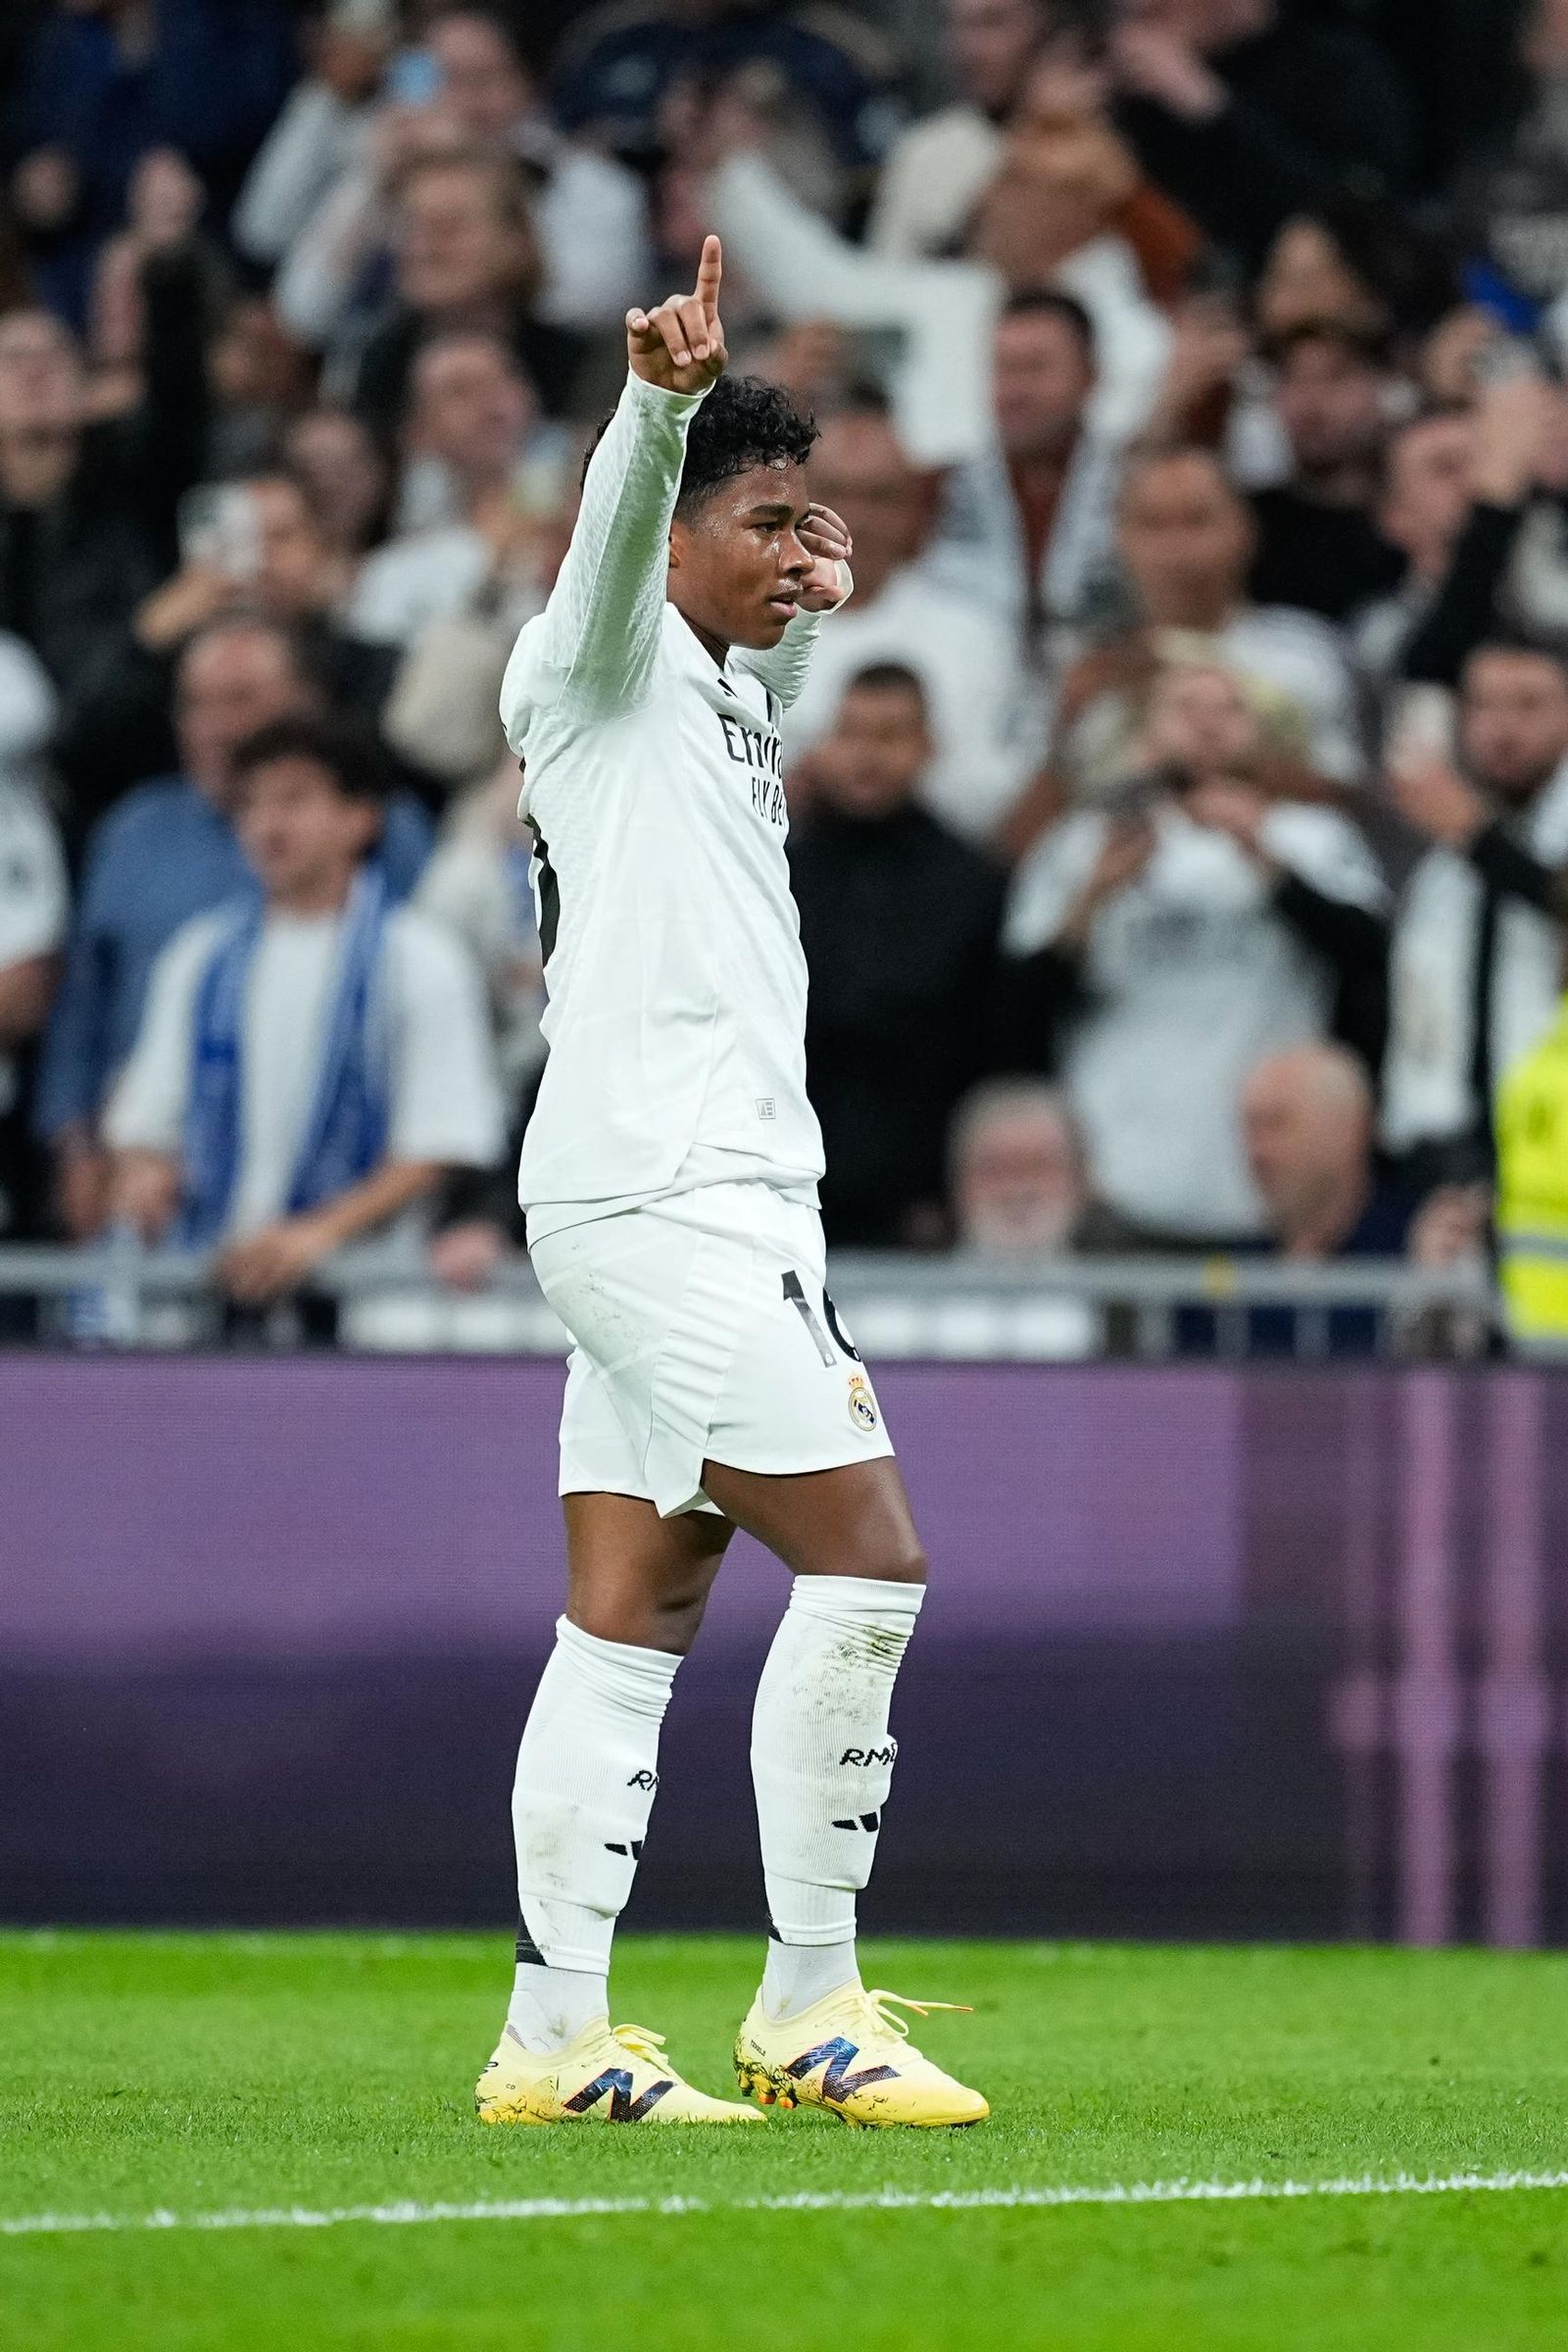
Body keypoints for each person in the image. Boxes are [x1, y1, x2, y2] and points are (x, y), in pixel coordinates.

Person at [481, 236, 986, 2131]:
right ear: (674, 530)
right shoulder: (592, 663)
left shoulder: (725, 696)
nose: (798, 551)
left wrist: (805, 564)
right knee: (870, 1567)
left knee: (629, 1617)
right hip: (674, 1197)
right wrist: (660, 408)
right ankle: (811, 2002)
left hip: (682, 1194)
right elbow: (618, 551)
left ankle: (553, 2040)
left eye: (815, 521)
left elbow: (779, 610)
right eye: (765, 521)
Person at [36, 618, 432, 1238]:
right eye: (196, 705)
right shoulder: (135, 832)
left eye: (241, 700)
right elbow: (83, 1004)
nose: (217, 727)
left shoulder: (391, 835)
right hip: (162, 1188)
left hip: (353, 1203)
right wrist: (77, 1144)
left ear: (306, 704)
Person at [103, 716, 503, 1314]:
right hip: (213, 1284)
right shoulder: (198, 956)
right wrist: (144, 1173)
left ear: (360, 817)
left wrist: (317, 1235)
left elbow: (440, 1143)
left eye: (294, 799)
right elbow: (146, 1125)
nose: (268, 824)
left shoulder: (420, 957)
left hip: (369, 1300)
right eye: (252, 805)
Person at [1003, 660, 1389, 1241]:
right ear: (1147, 730)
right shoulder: (1081, 844)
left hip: (1266, 1191)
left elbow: (1370, 963)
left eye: (1229, 709)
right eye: (1184, 708)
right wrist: (1091, 901)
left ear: (1260, 731)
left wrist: (1266, 859)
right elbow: (1011, 1010)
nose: (1208, 725)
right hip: (1114, 1187)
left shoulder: (1313, 836)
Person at [787, 664, 1008, 1247]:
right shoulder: (776, 869)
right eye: (852, 734)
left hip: (916, 1204)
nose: (867, 756)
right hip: (788, 1182)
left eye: (889, 736)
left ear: (927, 748)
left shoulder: (970, 881)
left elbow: (978, 1044)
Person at [774, 396, 1041, 839]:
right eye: (834, 495)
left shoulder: (974, 636)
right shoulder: (745, 632)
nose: (851, 520)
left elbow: (997, 792)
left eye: (878, 497)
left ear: (915, 510)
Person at [1384, 640, 1568, 1187]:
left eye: (1529, 705)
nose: (1502, 729)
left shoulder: (1464, 827)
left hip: (1548, 1135)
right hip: (1448, 1146)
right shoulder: (1439, 847)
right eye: (1483, 706)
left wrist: (1477, 838)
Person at [1108, 0, 1414, 270]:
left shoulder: (1341, 69)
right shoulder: (1137, 97)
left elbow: (1359, 224)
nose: (1141, 6)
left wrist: (1211, 109)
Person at [348, 333, 546, 650]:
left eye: (504, 379)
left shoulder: (584, 514)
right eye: (461, 391)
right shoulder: (393, 573)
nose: (491, 402)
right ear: (418, 431)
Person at [867, 0, 1050, 262]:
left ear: (1041, 28)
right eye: (956, 26)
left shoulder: (1094, 147)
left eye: (992, 23)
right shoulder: (923, 152)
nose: (970, 49)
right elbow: (887, 285)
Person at [1248, 325, 1405, 624]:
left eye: (1336, 378)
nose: (1311, 404)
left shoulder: (1421, 513)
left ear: (1384, 389)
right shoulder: (1249, 521)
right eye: (1293, 379)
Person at [948, 1077, 1102, 1256]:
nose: (1017, 1183)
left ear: (1081, 1182)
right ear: (959, 1183)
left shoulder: (1131, 1279)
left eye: (1039, 1164)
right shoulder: (908, 1280)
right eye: (995, 1167)